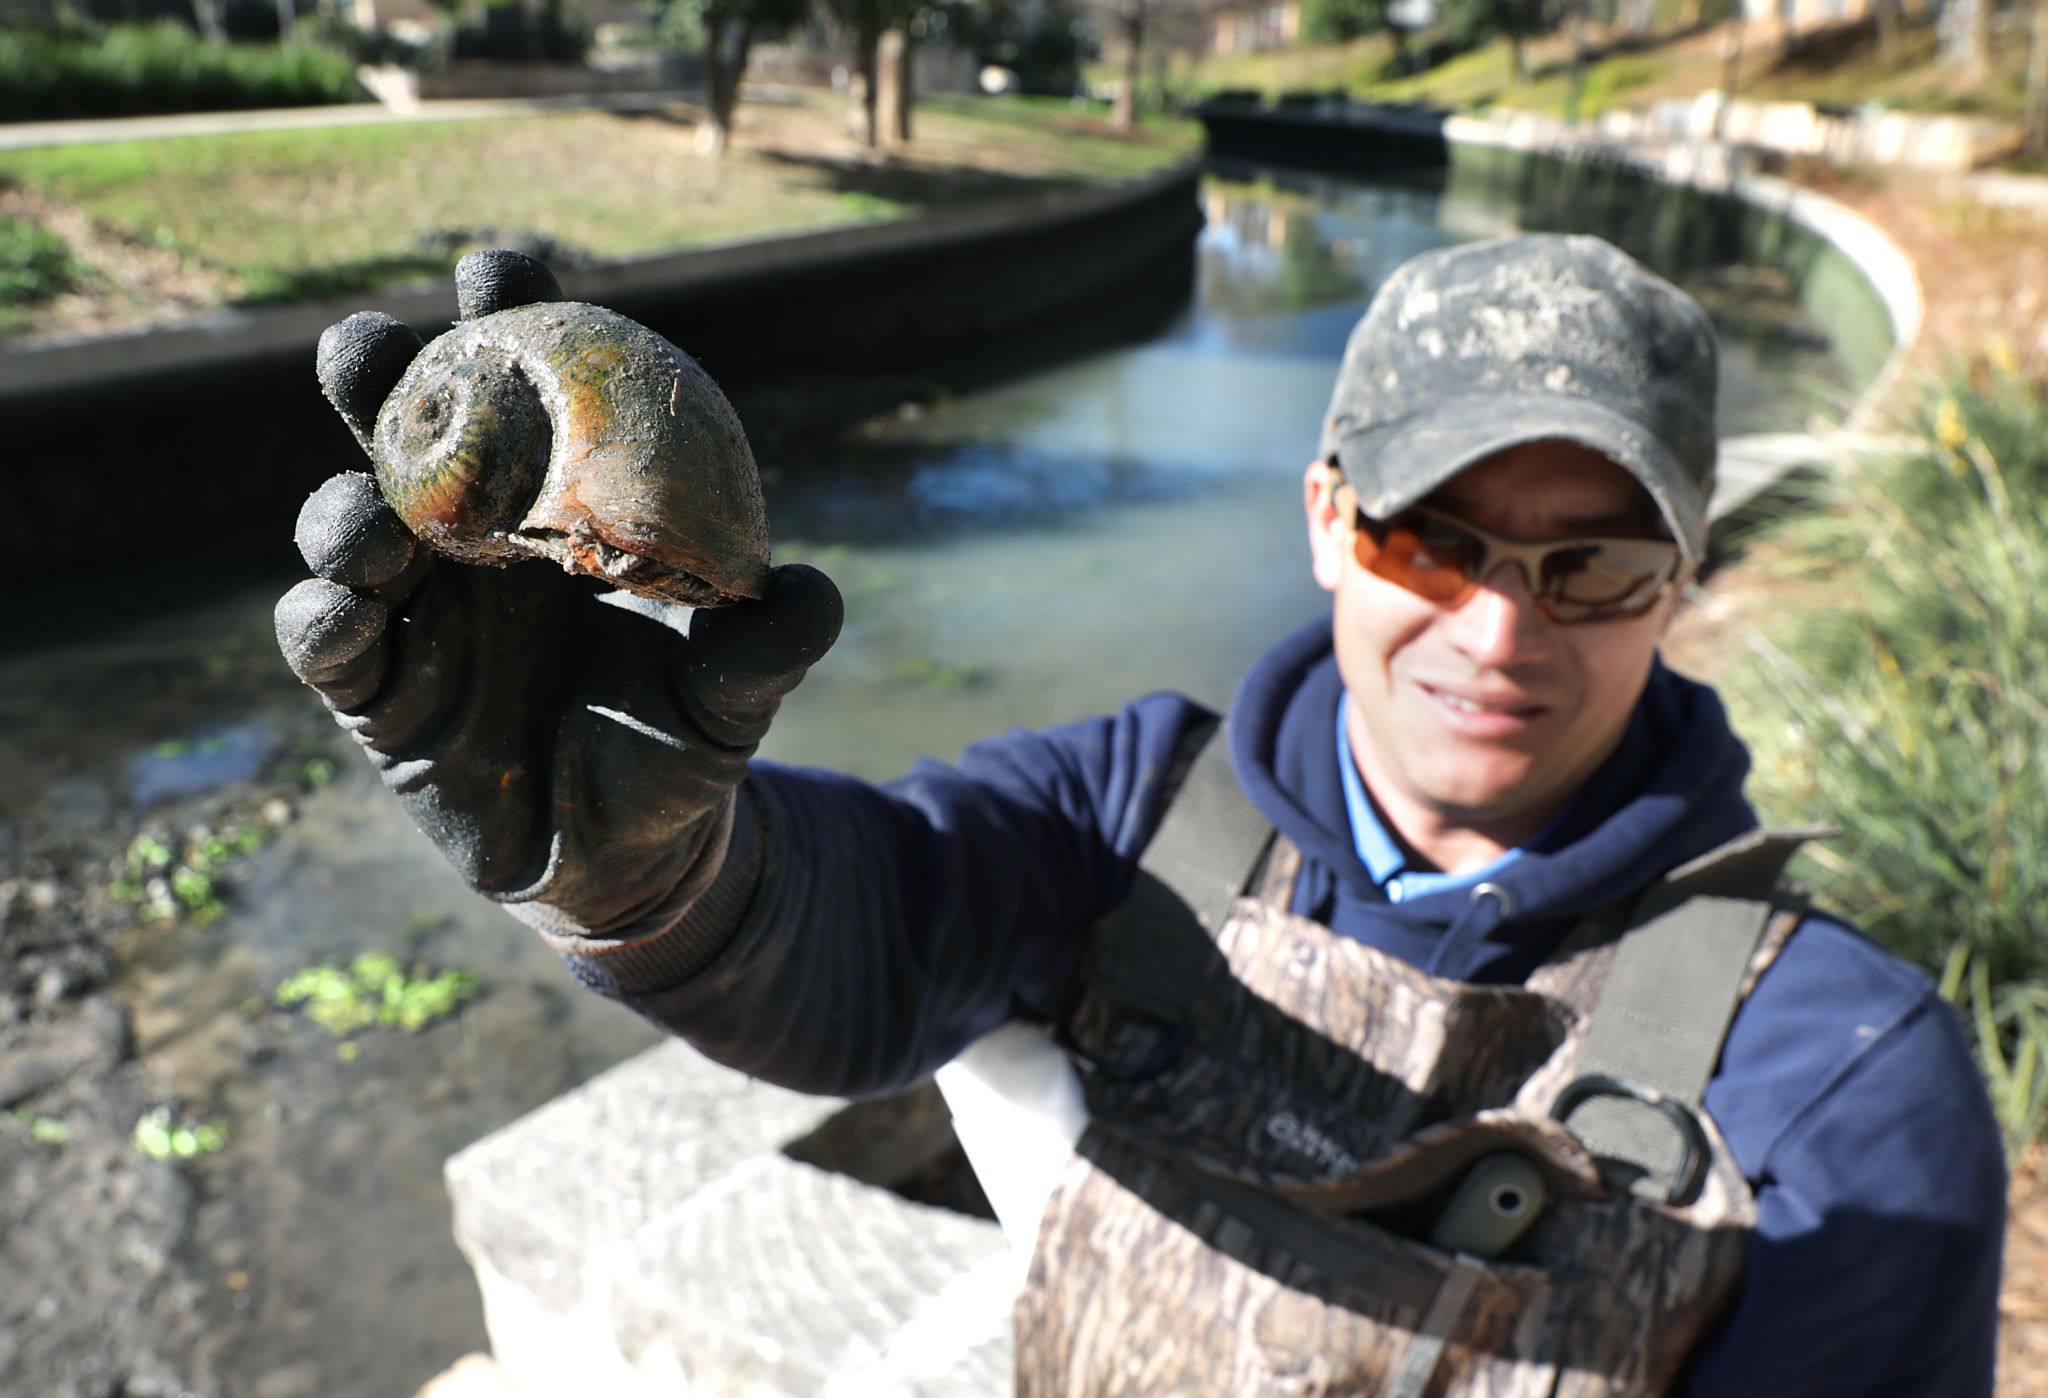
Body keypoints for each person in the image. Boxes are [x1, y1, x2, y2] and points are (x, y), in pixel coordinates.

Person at [276, 234, 2006, 1393]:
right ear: (1327, 517)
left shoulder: (1852, 1084)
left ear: (1678, 583)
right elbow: (861, 941)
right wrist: (654, 881)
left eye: (1595, 564)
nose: (1500, 629)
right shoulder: (1134, 811)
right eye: (1434, 539)